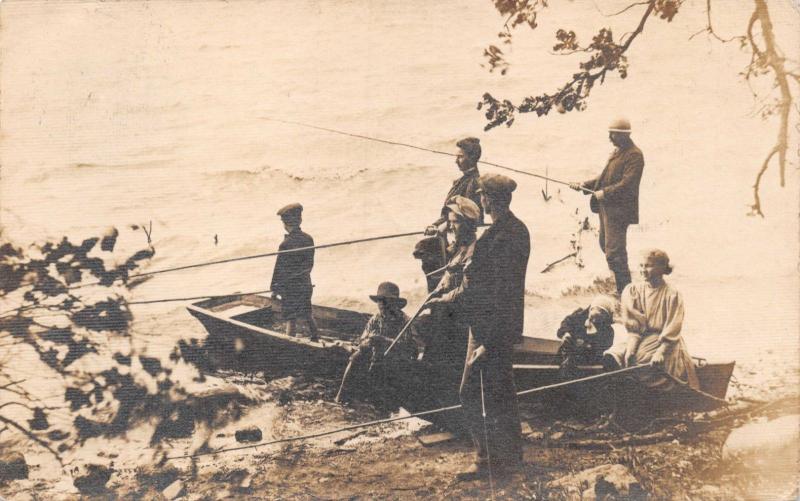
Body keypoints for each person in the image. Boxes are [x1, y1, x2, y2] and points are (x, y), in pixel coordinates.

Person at [427, 173, 530, 480]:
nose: (481, 200)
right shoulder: (517, 231)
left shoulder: (496, 240)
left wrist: (445, 301)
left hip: (490, 328)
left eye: (483, 196)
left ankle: (486, 461)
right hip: (502, 326)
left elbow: (490, 293)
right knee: (502, 392)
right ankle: (511, 458)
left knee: (471, 392)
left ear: (488, 200)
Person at [604, 249, 699, 392]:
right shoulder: (634, 291)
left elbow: (673, 327)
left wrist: (661, 351)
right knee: (615, 354)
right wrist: (631, 345)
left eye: (648, 266)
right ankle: (623, 396)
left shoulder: (672, 294)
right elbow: (634, 326)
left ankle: (645, 397)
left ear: (661, 268)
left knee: (641, 361)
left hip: (663, 340)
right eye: (641, 266)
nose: (643, 270)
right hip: (639, 337)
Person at [570, 118, 644, 296]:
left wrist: (605, 193)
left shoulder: (634, 155)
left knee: (614, 252)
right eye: (610, 133)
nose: (610, 137)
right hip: (606, 208)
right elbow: (604, 179)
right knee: (606, 246)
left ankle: (625, 293)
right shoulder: (617, 152)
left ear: (625, 135)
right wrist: (583, 185)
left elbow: (628, 184)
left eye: (614, 134)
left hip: (619, 212)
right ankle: (623, 286)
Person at [335, 282, 418, 404]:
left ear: (395, 303)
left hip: (397, 357)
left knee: (387, 366)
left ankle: (381, 399)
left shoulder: (405, 321)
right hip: (376, 354)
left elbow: (410, 348)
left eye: (386, 301)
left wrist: (384, 340)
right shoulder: (375, 319)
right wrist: (367, 342)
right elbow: (362, 340)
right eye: (380, 301)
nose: (382, 304)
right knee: (357, 357)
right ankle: (341, 395)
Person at [269, 203, 319, 341]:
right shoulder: (309, 239)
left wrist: (274, 288)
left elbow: (279, 270)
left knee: (290, 318)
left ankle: (288, 344)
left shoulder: (285, 245)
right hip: (305, 285)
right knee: (308, 314)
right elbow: (309, 265)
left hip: (290, 289)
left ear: (285, 224)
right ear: (299, 220)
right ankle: (316, 338)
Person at [426, 137, 484, 236]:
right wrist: (435, 225)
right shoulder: (460, 181)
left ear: (472, 158)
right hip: (452, 231)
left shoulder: (474, 183)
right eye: (456, 157)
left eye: (460, 157)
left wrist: (437, 227)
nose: (456, 161)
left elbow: (466, 217)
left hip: (461, 235)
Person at [556, 295, 616, 379]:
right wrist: (566, 333)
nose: (594, 321)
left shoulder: (608, 332)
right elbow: (566, 323)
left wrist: (585, 345)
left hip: (588, 364)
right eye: (592, 317)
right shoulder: (578, 317)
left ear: (605, 318)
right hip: (567, 357)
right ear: (590, 311)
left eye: (598, 319)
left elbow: (598, 351)